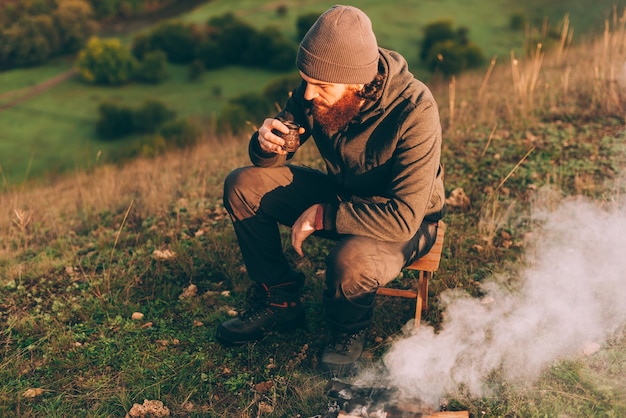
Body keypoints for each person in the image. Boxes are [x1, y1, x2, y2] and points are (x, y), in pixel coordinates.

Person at [217, 4, 445, 377]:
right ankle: (280, 299)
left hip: (407, 219)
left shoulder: (415, 109)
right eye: (305, 79)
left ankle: (345, 333)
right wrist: (265, 145)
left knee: (350, 258)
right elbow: (272, 158)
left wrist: (325, 215)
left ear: (356, 82)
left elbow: (404, 217)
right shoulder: (321, 87)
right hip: (342, 193)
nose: (308, 94)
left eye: (320, 86)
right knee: (243, 185)